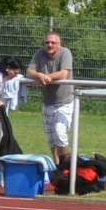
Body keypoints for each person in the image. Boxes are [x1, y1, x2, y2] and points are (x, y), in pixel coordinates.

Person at [27, 31, 73, 165]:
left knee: (60, 133)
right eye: (47, 42)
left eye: (53, 42)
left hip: (64, 101)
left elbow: (63, 74)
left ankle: (68, 165)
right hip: (47, 102)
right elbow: (29, 72)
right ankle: (58, 165)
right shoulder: (39, 53)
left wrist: (44, 78)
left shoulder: (65, 53)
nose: (50, 45)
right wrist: (39, 75)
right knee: (51, 138)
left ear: (59, 44)